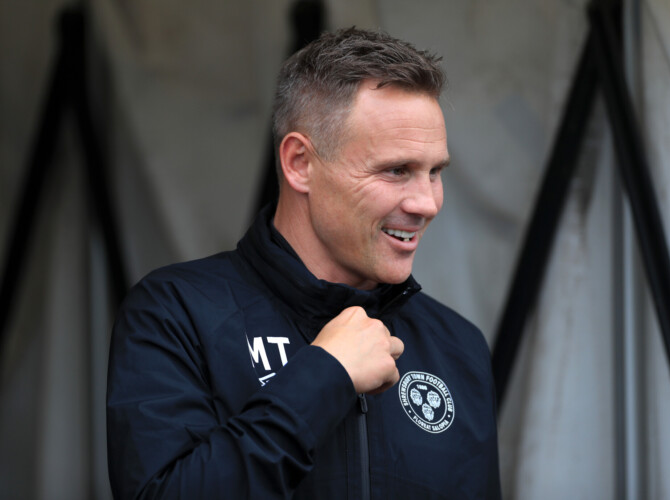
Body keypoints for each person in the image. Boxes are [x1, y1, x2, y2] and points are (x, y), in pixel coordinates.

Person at [107, 27, 502, 499]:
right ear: (299, 163)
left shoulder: (458, 345)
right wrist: (324, 376)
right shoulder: (177, 314)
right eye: (397, 170)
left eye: (434, 171)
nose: (427, 203)